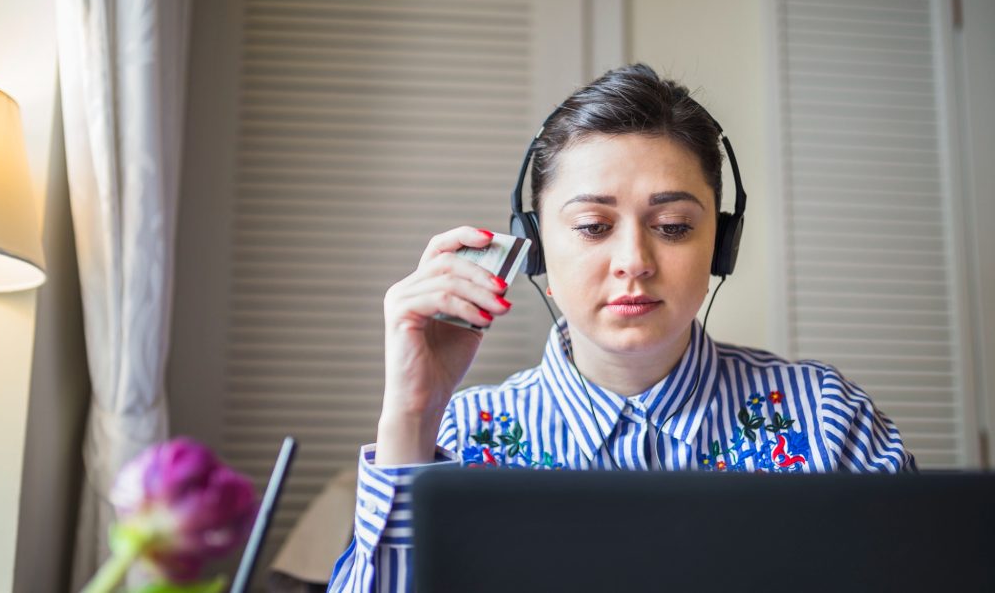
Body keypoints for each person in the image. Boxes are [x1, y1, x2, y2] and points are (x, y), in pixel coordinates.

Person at [326, 63, 916, 593]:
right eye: (591, 226)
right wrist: (412, 415)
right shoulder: (455, 439)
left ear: (721, 246)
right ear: (535, 248)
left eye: (674, 225)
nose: (634, 260)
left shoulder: (828, 418)